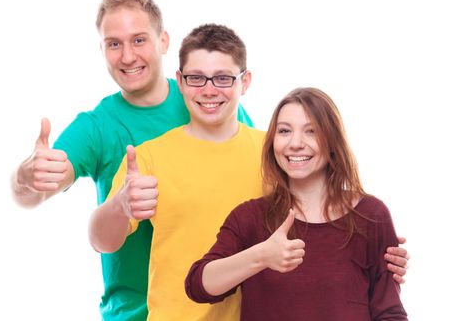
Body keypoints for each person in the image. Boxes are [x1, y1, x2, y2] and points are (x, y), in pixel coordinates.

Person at [89, 26, 408, 320]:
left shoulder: (272, 154)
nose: (210, 90)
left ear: (245, 81)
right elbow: (103, 242)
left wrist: (379, 255)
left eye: (223, 78)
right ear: (181, 81)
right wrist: (120, 205)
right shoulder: (149, 158)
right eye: (197, 77)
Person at [10, 0, 253, 321]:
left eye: (138, 40)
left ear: (163, 41)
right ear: (102, 49)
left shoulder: (209, 98)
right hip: (137, 313)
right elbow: (36, 192)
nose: (127, 56)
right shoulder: (96, 128)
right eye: (114, 43)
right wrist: (26, 178)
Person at [185, 87, 408, 320]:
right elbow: (197, 286)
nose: (295, 143)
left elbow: (390, 311)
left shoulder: (371, 215)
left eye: (311, 131)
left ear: (332, 141)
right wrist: (261, 256)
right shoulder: (249, 217)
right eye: (284, 131)